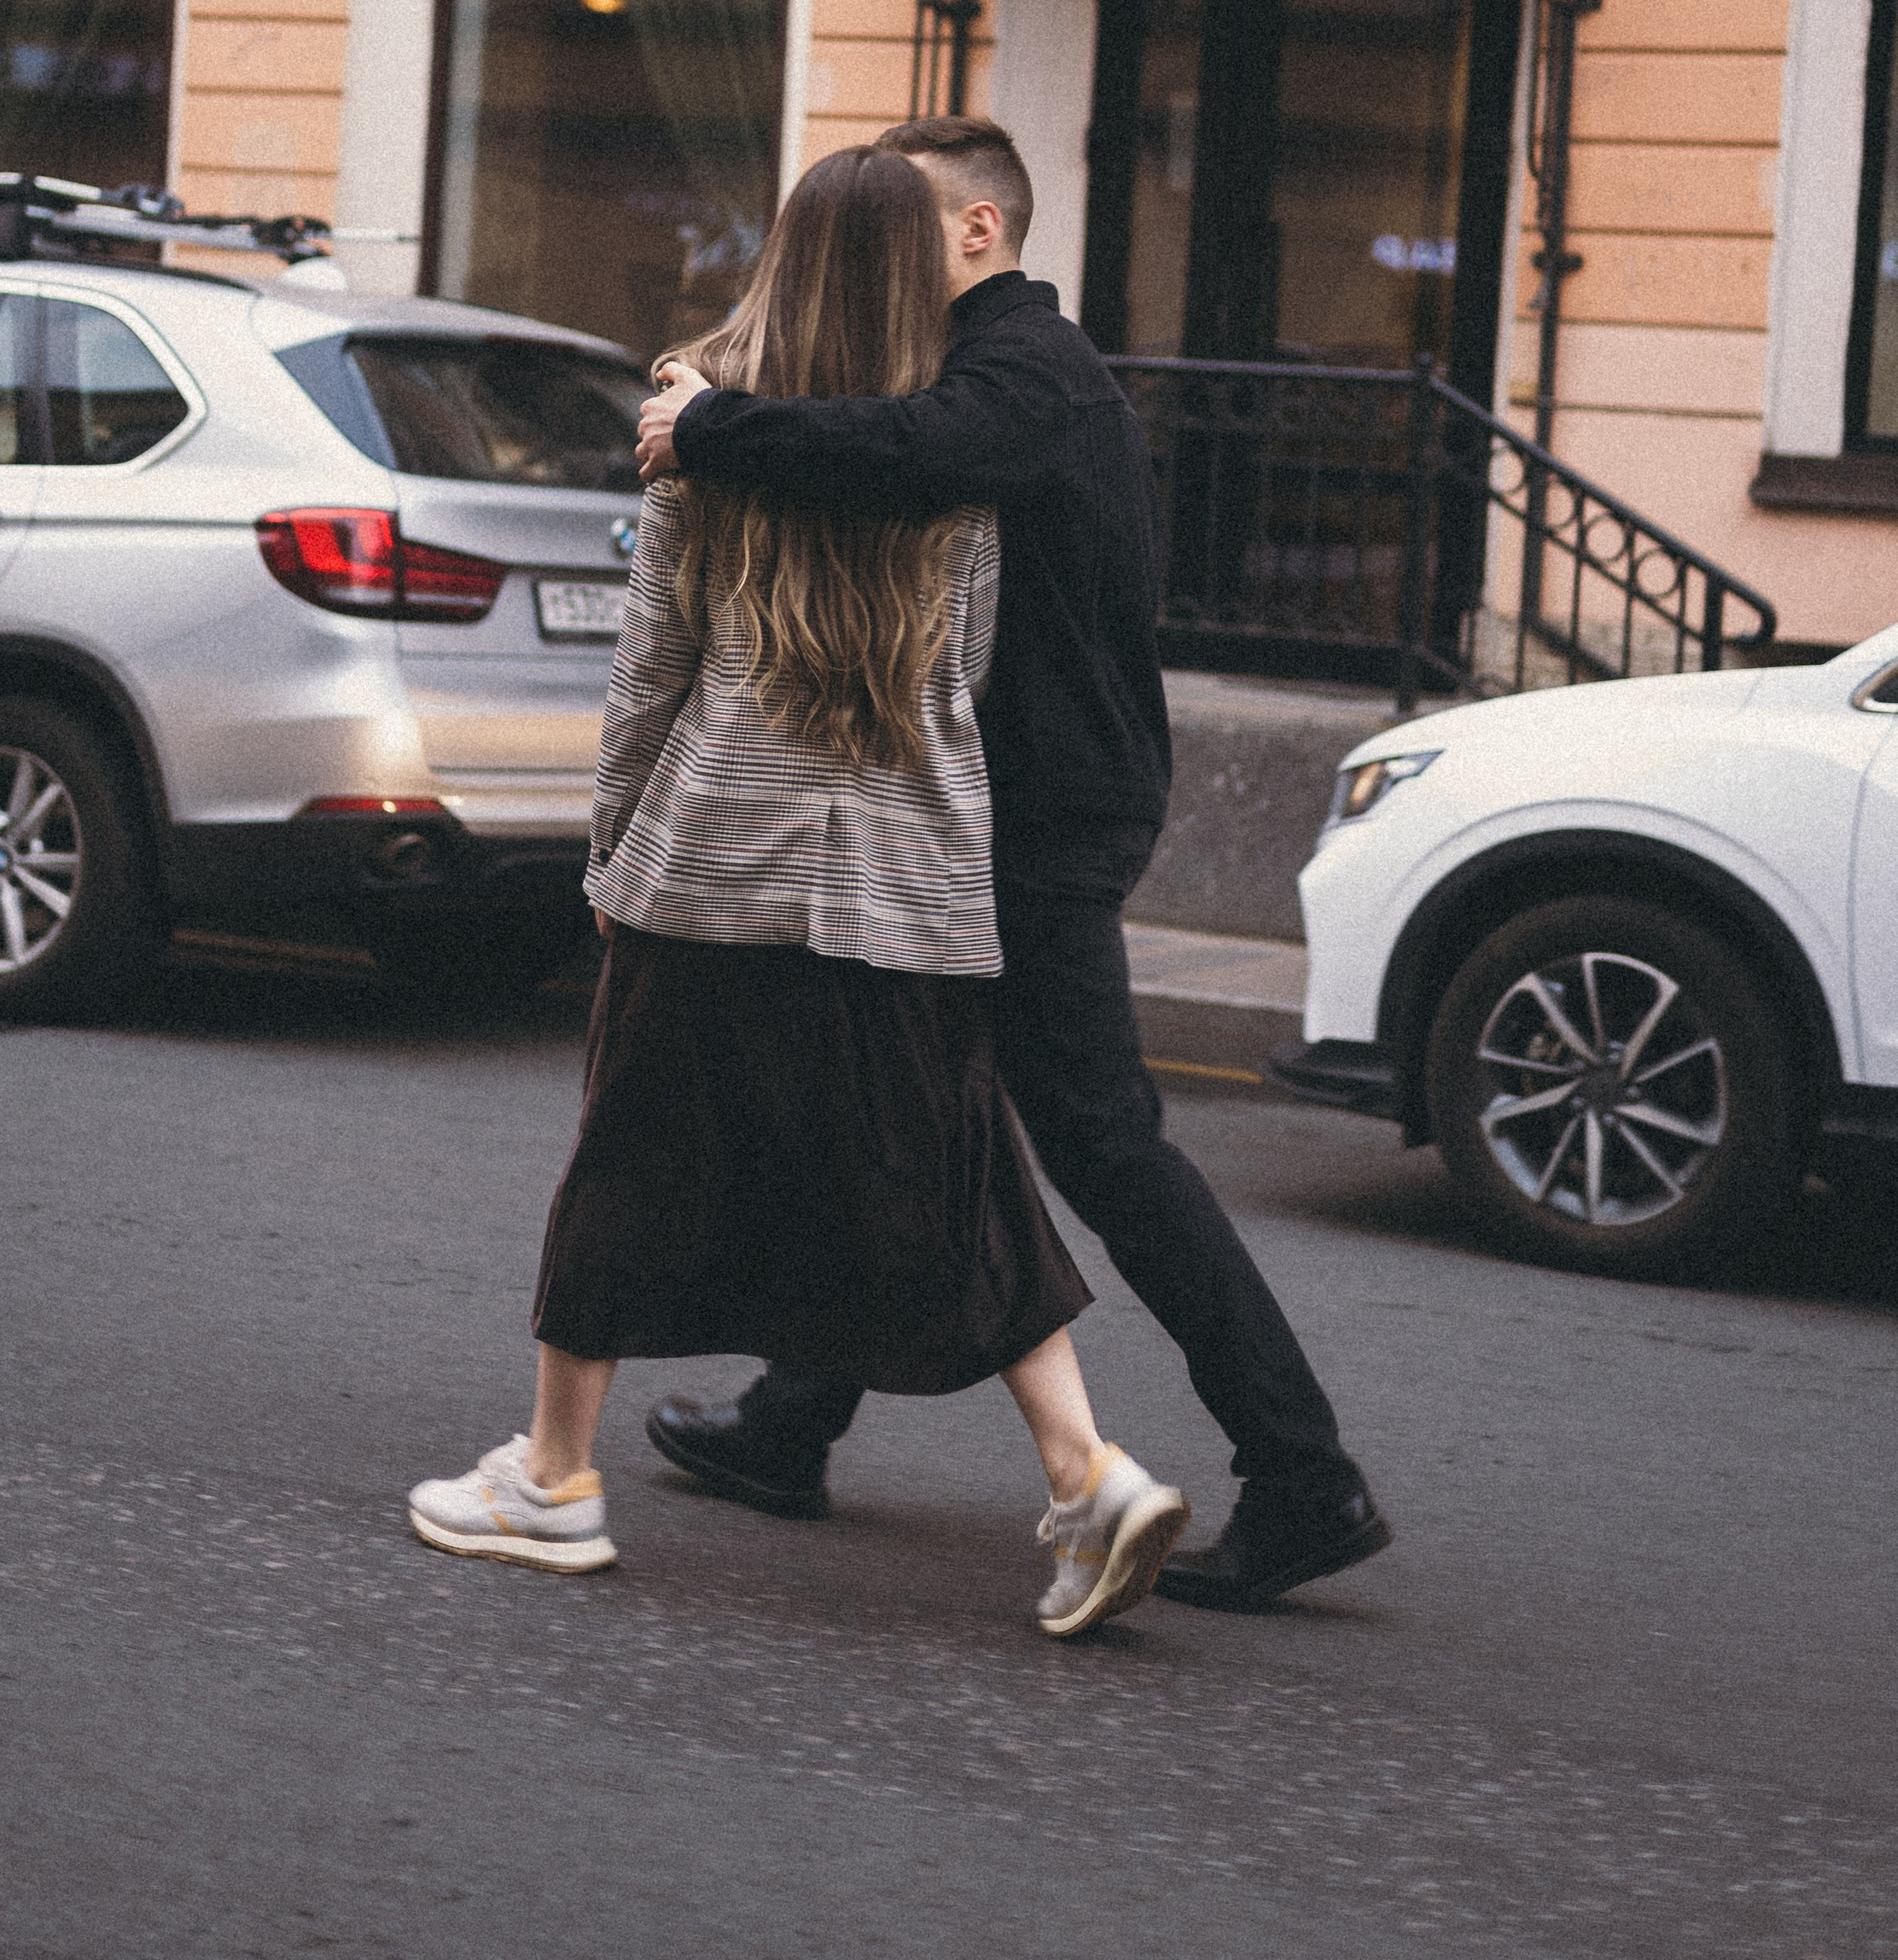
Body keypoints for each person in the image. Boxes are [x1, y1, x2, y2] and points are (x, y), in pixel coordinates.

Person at [407, 146, 1189, 1638]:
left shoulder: (698, 416)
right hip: (914, 866)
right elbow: (960, 670)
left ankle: (554, 1483)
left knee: (631, 1158)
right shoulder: (947, 450)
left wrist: (609, 848)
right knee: (955, 1172)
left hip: (716, 853)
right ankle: (1088, 1474)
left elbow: (656, 668)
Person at [635, 117, 1389, 1614]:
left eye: (899, 225)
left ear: (979, 230)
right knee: (911, 1101)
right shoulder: (1011, 371)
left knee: (1098, 1143)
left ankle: (1303, 1476)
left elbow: (916, 458)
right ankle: (793, 1421)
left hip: (1035, 824)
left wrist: (712, 427)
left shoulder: (1027, 375)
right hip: (1031, 807)